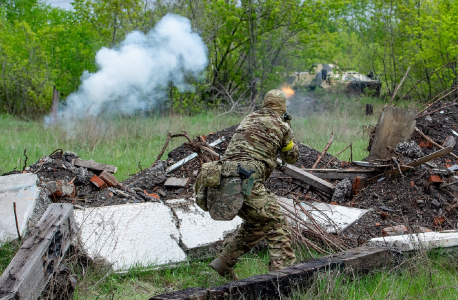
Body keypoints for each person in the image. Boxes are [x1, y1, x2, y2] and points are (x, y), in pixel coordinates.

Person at [209, 89, 299, 280]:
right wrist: (288, 132)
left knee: (257, 223)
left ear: (266, 104)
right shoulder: (281, 126)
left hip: (223, 178)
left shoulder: (248, 118)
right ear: (282, 107)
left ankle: (223, 263)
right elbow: (292, 157)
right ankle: (282, 279)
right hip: (245, 179)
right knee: (276, 223)